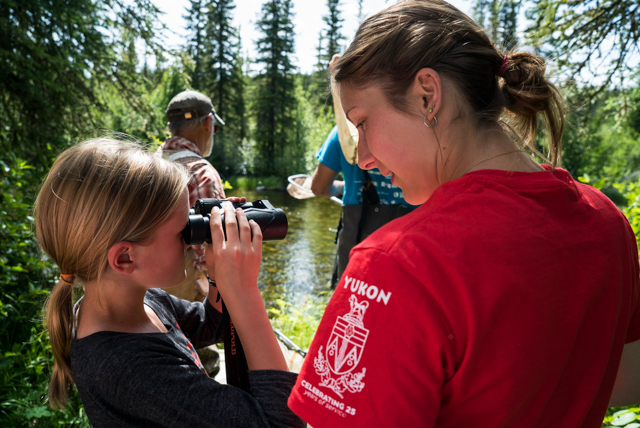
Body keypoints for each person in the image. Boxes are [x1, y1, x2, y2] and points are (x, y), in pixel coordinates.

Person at [287, 1, 640, 427]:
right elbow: (624, 379)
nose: (361, 157)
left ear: (427, 95)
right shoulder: (606, 222)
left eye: (362, 123)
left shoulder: (396, 263)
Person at [34, 139, 305, 428]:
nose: (191, 240)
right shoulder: (129, 368)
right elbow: (283, 422)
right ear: (125, 258)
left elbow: (208, 322)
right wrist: (243, 291)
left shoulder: (140, 301)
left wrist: (218, 273)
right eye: (181, 230)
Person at [311, 125, 416, 288]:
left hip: (355, 233)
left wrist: (342, 187)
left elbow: (319, 188)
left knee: (352, 304)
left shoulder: (342, 131)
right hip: (409, 242)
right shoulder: (409, 129)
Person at [157, 90, 226, 303]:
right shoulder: (200, 173)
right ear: (208, 122)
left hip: (146, 291)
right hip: (184, 297)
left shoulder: (147, 164)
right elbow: (211, 248)